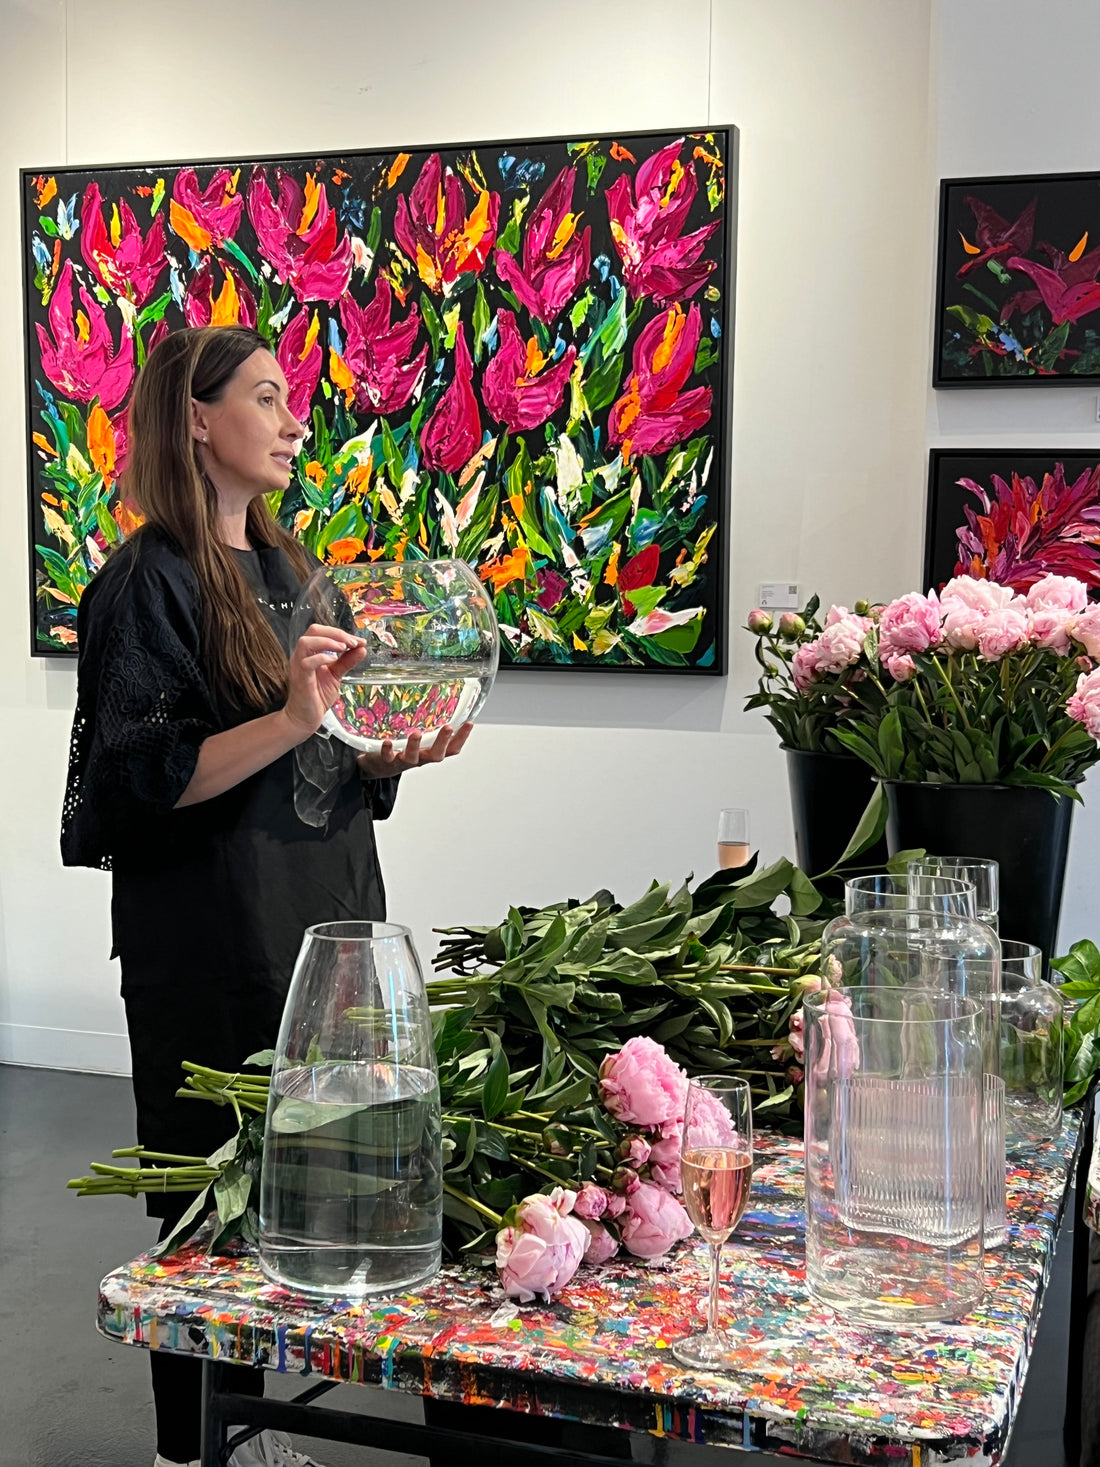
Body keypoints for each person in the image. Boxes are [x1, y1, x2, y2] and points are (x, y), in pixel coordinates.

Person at [61, 324, 472, 1467]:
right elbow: (145, 784)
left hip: (319, 919)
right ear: (196, 420)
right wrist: (295, 718)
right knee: (208, 1203)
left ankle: (247, 1430)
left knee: (315, 1176)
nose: (297, 422)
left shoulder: (290, 569)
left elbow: (314, 759)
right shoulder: (144, 582)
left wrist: (382, 752)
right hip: (211, 939)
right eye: (268, 397)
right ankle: (193, 1450)